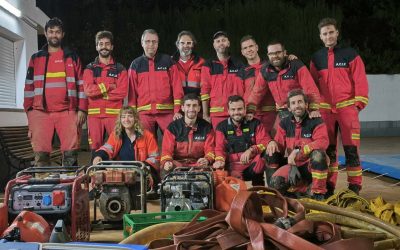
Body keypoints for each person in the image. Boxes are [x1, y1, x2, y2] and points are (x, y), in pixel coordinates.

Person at [310, 17, 369, 195]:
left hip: (347, 109)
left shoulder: (351, 54)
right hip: (325, 112)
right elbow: (312, 85)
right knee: (329, 151)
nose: (328, 36)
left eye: (331, 32)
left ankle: (354, 186)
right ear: (320, 36)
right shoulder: (316, 58)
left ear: (337, 33)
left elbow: (360, 81)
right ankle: (329, 186)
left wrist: (357, 105)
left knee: (351, 150)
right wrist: (314, 108)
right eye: (324, 33)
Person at [23, 17, 87, 166]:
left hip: (68, 111)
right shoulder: (36, 58)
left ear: (62, 34)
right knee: (41, 153)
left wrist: (82, 109)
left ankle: (70, 185)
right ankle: (42, 185)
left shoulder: (72, 57)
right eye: (51, 32)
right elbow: (28, 86)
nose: (54, 35)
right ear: (45, 33)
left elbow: (81, 85)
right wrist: (29, 111)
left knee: (71, 153)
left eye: (57, 32)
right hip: (40, 112)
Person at [267, 89, 329, 200]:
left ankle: (318, 194)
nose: (297, 105)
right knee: (275, 182)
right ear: (289, 108)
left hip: (310, 166)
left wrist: (299, 152)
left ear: (306, 105)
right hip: (293, 165)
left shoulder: (316, 121)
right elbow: (279, 145)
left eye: (300, 102)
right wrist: (271, 143)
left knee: (318, 155)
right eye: (293, 103)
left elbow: (323, 141)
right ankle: (297, 195)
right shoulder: (284, 123)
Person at [247, 40, 321, 121]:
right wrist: (250, 111)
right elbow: (256, 93)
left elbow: (310, 88)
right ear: (268, 55)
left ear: (284, 52)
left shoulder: (296, 65)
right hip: (283, 112)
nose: (275, 56)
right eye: (271, 54)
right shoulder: (265, 70)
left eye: (278, 52)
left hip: (301, 110)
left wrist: (314, 109)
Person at [128, 29, 182, 136]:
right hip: (144, 114)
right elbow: (132, 93)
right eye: (147, 41)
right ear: (142, 43)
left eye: (154, 41)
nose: (151, 44)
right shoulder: (135, 64)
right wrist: (133, 114)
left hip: (167, 112)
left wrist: (177, 110)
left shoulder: (168, 61)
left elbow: (177, 88)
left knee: (174, 142)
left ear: (158, 43)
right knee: (146, 146)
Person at [213, 95, 277, 186]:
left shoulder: (255, 123)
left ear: (245, 110)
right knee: (237, 191)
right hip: (233, 167)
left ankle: (272, 188)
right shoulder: (221, 127)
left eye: (239, 109)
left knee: (271, 151)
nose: (236, 112)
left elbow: (264, 142)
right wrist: (220, 160)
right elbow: (219, 148)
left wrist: (251, 150)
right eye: (233, 109)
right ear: (228, 111)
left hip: (253, 164)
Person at [83, 31, 128, 158]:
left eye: (107, 44)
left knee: (117, 146)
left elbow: (122, 92)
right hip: (94, 117)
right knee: (95, 149)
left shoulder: (120, 69)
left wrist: (100, 93)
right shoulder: (89, 68)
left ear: (112, 47)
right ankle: (95, 177)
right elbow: (88, 90)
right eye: (101, 44)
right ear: (97, 46)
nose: (104, 46)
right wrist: (109, 86)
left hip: (114, 115)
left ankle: (118, 176)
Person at [92, 106, 160, 188]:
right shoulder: (116, 135)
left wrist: (139, 168)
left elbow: (154, 159)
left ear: (135, 118)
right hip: (121, 175)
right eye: (123, 117)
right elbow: (107, 148)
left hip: (140, 174)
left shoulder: (147, 136)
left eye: (130, 116)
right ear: (120, 120)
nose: (126, 120)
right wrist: (98, 156)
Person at [201, 31, 245, 128]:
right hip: (217, 114)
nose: (221, 43)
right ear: (214, 45)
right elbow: (205, 91)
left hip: (236, 112)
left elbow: (245, 89)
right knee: (219, 142)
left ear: (228, 43)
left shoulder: (239, 64)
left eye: (223, 40)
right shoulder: (208, 65)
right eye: (218, 41)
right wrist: (205, 114)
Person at [161, 93, 215, 173]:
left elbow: (210, 150)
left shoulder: (207, 127)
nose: (191, 108)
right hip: (177, 165)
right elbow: (166, 151)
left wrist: (207, 159)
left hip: (199, 166)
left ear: (199, 108)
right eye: (188, 105)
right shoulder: (172, 127)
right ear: (182, 108)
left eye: (194, 105)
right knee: (165, 170)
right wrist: (167, 162)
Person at [240, 35, 276, 135]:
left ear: (257, 47)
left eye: (251, 46)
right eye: (245, 48)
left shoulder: (270, 66)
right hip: (251, 115)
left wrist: (290, 58)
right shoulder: (242, 72)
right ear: (242, 52)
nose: (249, 50)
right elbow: (239, 95)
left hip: (271, 114)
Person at [171, 31, 205, 98]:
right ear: (177, 45)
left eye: (189, 43)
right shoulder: (170, 62)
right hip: (176, 103)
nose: (185, 46)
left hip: (195, 104)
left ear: (193, 45)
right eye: (182, 43)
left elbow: (205, 86)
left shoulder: (201, 62)